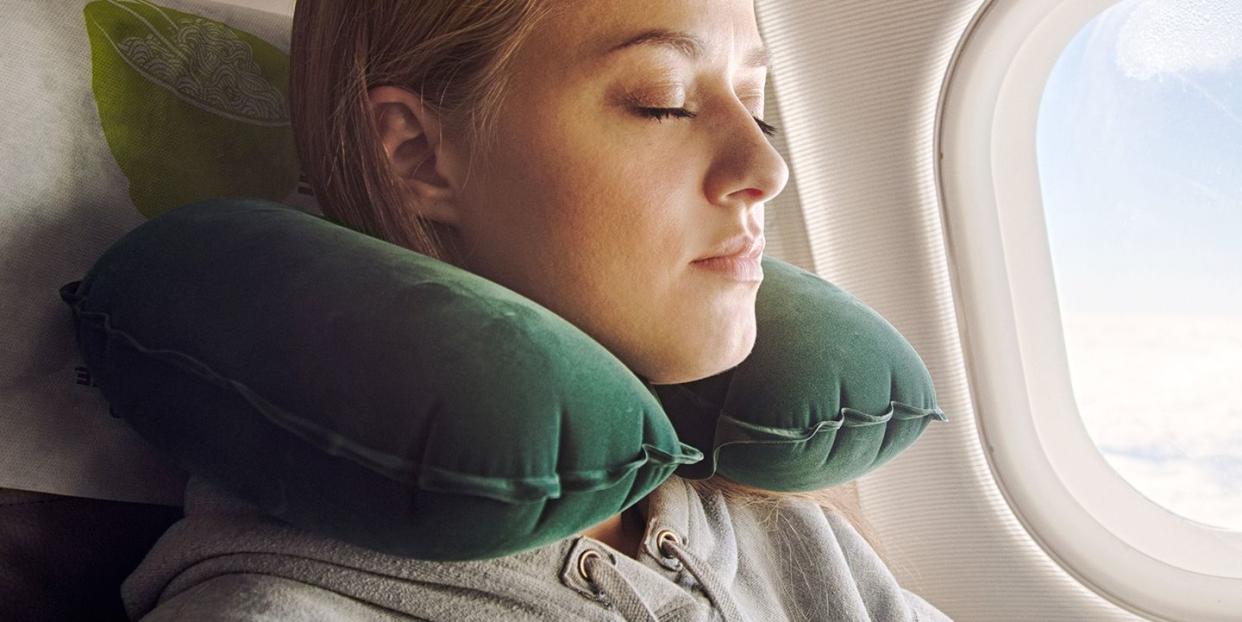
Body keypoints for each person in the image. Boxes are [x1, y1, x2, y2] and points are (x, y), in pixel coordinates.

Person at [119, 1, 954, 620]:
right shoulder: (279, 610)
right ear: (417, 154)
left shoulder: (801, 543)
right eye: (664, 99)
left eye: (755, 101)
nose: (765, 167)